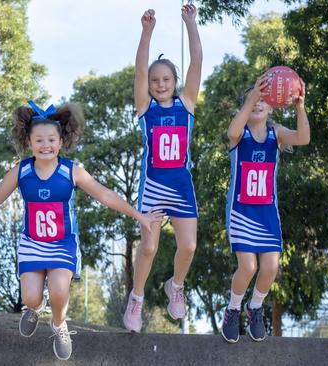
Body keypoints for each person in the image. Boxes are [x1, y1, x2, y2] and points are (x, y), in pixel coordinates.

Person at [0, 101, 161, 360]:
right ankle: (35, 308)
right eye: (39, 140)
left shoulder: (70, 171)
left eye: (51, 139)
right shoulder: (22, 171)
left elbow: (105, 195)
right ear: (29, 142)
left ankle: (59, 325)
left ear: (61, 141)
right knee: (30, 297)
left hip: (63, 242)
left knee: (60, 289)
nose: (46, 145)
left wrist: (139, 216)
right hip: (32, 242)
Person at [124, 4, 203, 332]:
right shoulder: (146, 109)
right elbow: (140, 71)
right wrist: (147, 32)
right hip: (154, 188)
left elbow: (196, 61)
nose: (159, 83)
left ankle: (177, 286)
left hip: (182, 188)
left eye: (166, 78)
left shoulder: (186, 105)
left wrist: (190, 24)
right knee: (150, 246)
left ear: (175, 81)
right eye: (156, 79)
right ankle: (137, 298)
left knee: (188, 245)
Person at [221, 74, 309, 343]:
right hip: (241, 211)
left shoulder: (276, 134)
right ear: (245, 106)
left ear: (272, 106)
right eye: (253, 99)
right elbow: (231, 132)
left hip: (267, 213)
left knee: (270, 267)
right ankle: (233, 309)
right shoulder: (240, 135)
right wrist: (251, 98)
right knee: (246, 267)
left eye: (263, 99)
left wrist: (299, 106)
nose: (258, 103)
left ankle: (255, 307)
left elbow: (303, 138)